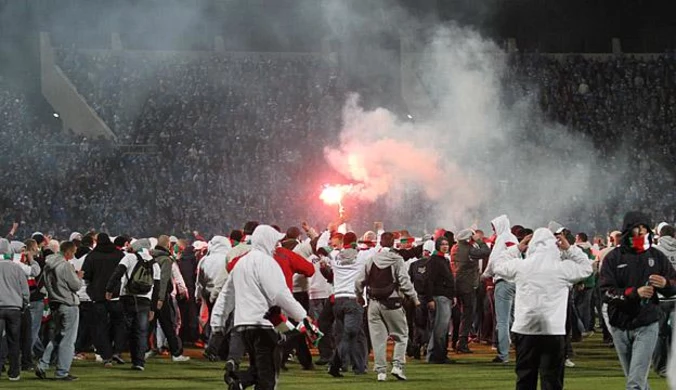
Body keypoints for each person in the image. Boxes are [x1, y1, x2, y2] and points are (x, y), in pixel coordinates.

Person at [493, 228, 593, 390]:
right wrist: (569, 248)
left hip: (525, 329)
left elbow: (497, 265)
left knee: (525, 379)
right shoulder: (562, 268)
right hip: (553, 331)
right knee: (552, 380)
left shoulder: (522, 266)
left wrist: (517, 247)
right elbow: (586, 267)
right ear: (555, 246)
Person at [221, 225, 310, 390]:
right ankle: (238, 381)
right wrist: (302, 315)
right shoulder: (267, 262)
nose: (276, 245)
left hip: (244, 325)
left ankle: (239, 382)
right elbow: (279, 294)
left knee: (259, 368)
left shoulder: (241, 262)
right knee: (268, 377)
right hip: (264, 324)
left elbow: (226, 295)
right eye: (275, 241)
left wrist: (217, 323)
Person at [600, 211, 676, 390]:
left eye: (645, 228)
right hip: (619, 325)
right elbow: (605, 292)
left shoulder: (656, 256)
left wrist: (665, 283)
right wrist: (634, 293)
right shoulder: (613, 258)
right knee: (637, 380)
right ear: (628, 230)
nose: (642, 232)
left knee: (634, 383)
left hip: (647, 323)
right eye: (637, 228)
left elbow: (674, 284)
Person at [355, 231, 419, 381]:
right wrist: (414, 297)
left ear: (380, 242)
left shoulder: (371, 259)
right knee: (401, 335)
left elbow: (359, 281)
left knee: (378, 339)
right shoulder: (397, 259)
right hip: (392, 302)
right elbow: (404, 281)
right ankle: (397, 366)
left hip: (373, 303)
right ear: (393, 242)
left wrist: (359, 296)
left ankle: (381, 372)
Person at [104, 239, 161, 371]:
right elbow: (156, 288)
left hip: (127, 297)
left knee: (123, 327)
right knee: (141, 332)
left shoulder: (129, 257)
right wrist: (153, 308)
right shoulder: (155, 264)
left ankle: (117, 352)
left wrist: (109, 290)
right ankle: (139, 362)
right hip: (145, 301)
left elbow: (117, 273)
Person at [35, 241, 82, 381]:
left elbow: (40, 286)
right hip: (68, 303)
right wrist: (78, 276)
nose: (73, 255)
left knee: (57, 337)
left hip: (54, 304)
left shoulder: (48, 265)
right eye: (73, 252)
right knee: (68, 340)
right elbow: (76, 285)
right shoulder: (65, 265)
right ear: (68, 252)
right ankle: (62, 372)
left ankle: (42, 365)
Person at [82, 232, 126, 366]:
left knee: (101, 326)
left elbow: (86, 275)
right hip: (116, 295)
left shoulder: (92, 256)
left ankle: (106, 356)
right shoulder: (119, 255)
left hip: (98, 297)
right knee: (118, 324)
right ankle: (117, 351)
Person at [147, 235, 190, 362]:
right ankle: (176, 353)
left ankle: (145, 350)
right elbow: (164, 280)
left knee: (150, 325)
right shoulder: (166, 260)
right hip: (161, 297)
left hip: (149, 295)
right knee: (168, 325)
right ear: (168, 245)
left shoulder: (150, 257)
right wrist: (160, 299)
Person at [482, 215, 519, 363]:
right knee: (514, 318)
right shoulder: (514, 239)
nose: (493, 231)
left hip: (503, 281)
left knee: (502, 321)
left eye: (494, 227)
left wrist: (485, 275)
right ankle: (520, 348)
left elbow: (494, 261)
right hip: (516, 281)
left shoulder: (501, 239)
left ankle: (503, 354)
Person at [453, 229, 491, 354]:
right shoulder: (469, 250)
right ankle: (462, 342)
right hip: (468, 286)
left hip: (456, 284)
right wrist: (479, 240)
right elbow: (486, 251)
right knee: (468, 314)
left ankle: (454, 340)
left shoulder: (455, 248)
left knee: (458, 315)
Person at [0, 239, 30, 381]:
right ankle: (14, 372)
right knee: (14, 341)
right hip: (14, 308)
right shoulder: (17, 267)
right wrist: (24, 304)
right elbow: (25, 291)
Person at [425, 236, 456, 364]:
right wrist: (430, 299)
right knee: (441, 328)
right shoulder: (435, 261)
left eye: (446, 244)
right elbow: (429, 280)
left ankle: (435, 354)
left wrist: (452, 295)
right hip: (440, 296)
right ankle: (438, 356)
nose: (445, 246)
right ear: (437, 246)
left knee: (441, 328)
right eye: (442, 244)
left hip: (445, 296)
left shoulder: (443, 259)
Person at [653, 224, 676, 376]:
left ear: (660, 235)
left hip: (660, 298)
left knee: (659, 334)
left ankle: (660, 366)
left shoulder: (655, 251)